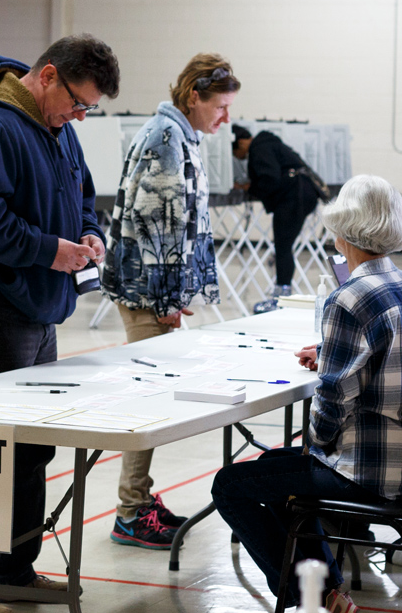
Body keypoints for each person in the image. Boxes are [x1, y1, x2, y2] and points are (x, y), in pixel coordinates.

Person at [0, 34, 121, 613]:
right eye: (77, 101)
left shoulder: (57, 131)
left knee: (31, 448)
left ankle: (12, 571)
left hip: (37, 310)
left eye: (89, 107)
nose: (80, 115)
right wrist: (47, 251)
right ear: (46, 76)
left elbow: (84, 196)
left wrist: (90, 234)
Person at [211, 175, 402, 613]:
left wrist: (315, 445)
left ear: (343, 231)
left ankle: (309, 598)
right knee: (270, 468)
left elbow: (332, 402)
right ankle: (330, 592)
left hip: (373, 472)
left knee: (230, 486)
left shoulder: (349, 298)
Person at [100, 54, 240, 550]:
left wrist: (176, 295)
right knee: (150, 401)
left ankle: (137, 501)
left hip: (153, 290)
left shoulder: (181, 135)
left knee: (155, 398)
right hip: (144, 290)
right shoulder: (166, 138)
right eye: (220, 107)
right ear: (194, 97)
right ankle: (131, 513)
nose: (226, 118)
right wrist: (164, 301)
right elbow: (155, 227)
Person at [232, 124, 323, 305]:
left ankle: (281, 296)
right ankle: (282, 292)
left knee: (282, 247)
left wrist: (249, 188)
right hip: (304, 192)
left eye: (234, 152)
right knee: (284, 246)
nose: (236, 157)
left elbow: (270, 179)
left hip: (293, 196)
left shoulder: (259, 149)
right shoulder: (268, 143)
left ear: (241, 143)